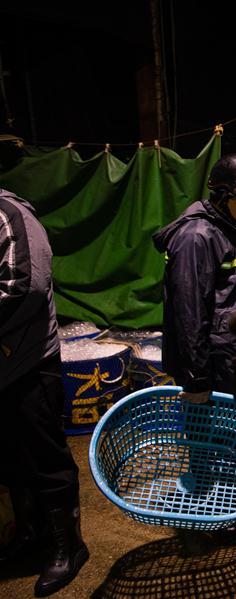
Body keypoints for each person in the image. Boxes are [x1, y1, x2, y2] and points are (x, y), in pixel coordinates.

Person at [0, 188, 89, 596]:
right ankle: (30, 535)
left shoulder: (9, 213)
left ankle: (66, 546)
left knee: (44, 456)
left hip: (28, 361)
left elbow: (25, 285)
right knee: (11, 457)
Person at [152, 154, 236, 402]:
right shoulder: (196, 237)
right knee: (213, 438)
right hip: (214, 375)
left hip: (232, 364)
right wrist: (197, 379)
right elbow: (189, 313)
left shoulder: (226, 231)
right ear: (229, 195)